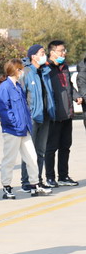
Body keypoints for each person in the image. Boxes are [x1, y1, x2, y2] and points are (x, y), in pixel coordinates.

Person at [0, 58, 51, 199]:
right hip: (12, 129)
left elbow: (23, 107)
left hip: (24, 128)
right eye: (21, 69)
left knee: (32, 157)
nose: (23, 72)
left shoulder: (18, 86)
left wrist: (26, 122)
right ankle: (6, 186)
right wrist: (14, 123)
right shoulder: (5, 87)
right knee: (10, 159)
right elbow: (4, 109)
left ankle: (34, 184)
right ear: (15, 70)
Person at [44, 40, 82, 188]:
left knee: (65, 147)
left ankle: (63, 176)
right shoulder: (46, 68)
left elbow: (69, 86)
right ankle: (50, 177)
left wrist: (76, 96)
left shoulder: (64, 67)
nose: (64, 53)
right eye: (61, 51)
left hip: (67, 113)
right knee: (51, 148)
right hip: (54, 115)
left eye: (64, 50)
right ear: (52, 52)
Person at [20, 45, 54, 193]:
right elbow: (21, 95)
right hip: (32, 117)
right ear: (33, 56)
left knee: (41, 151)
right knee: (29, 151)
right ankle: (26, 181)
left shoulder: (45, 71)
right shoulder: (26, 72)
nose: (44, 55)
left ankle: (38, 180)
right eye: (42, 53)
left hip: (45, 115)